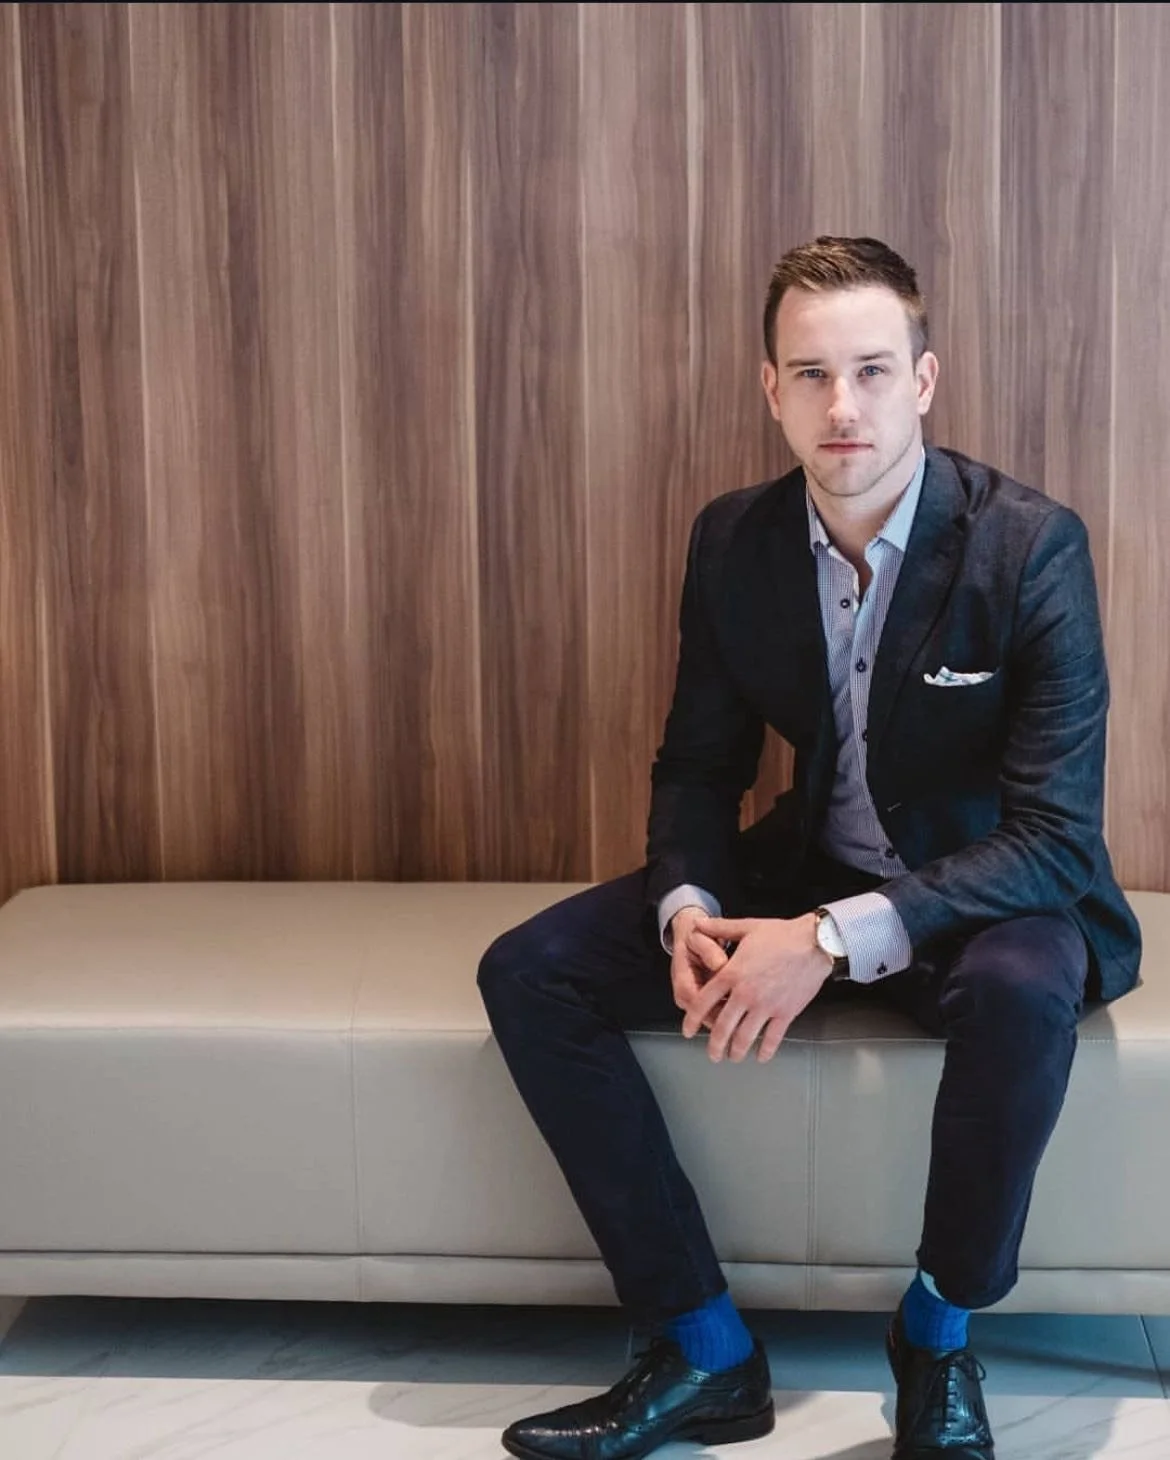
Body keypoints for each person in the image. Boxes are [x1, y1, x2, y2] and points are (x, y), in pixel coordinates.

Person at [477, 235, 1141, 1460]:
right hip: (804, 863)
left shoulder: (1028, 545)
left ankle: (938, 1334)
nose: (845, 406)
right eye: (813, 374)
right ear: (769, 389)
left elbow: (1056, 835)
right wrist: (686, 903)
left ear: (925, 382)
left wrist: (827, 944)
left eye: (875, 370)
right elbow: (700, 766)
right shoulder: (733, 537)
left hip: (986, 889)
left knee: (1025, 984)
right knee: (531, 967)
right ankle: (704, 1350)